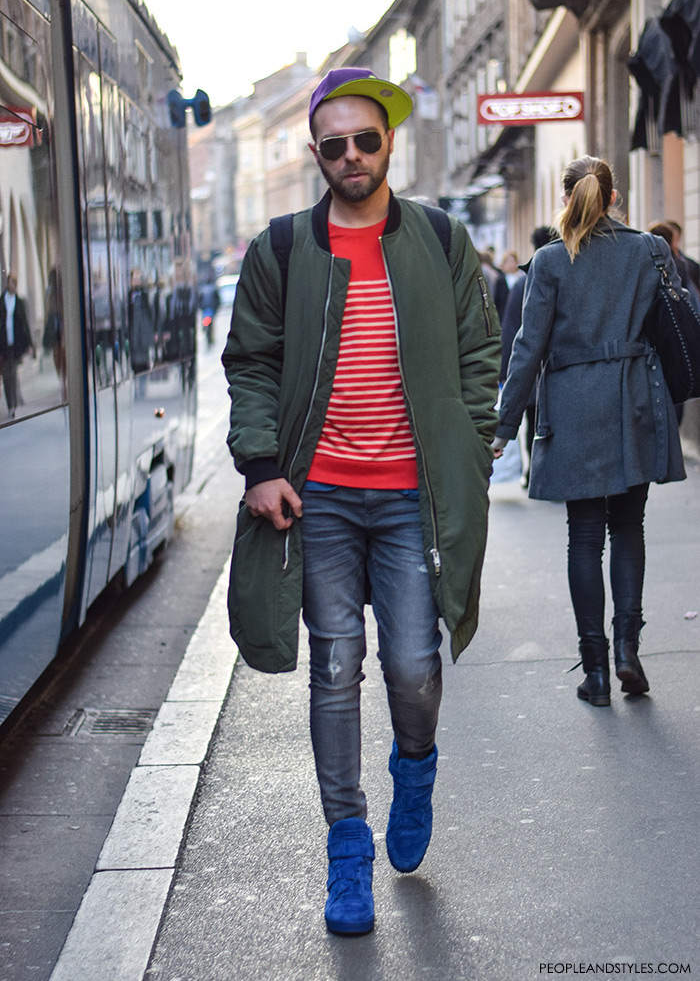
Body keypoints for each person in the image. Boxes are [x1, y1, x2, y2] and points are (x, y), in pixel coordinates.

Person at [222, 67, 500, 935]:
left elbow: (479, 354)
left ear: (389, 144)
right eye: (333, 144)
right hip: (323, 500)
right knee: (336, 668)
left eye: (365, 140)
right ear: (316, 154)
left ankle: (413, 768)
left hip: (415, 498)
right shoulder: (280, 249)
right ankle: (348, 849)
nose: (350, 155)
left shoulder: (441, 240)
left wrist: (474, 449)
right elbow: (251, 362)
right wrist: (261, 464)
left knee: (415, 665)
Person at [493, 156, 685, 708]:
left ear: (566, 197)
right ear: (615, 197)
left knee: (584, 535)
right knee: (629, 527)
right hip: (635, 401)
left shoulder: (550, 260)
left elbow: (527, 348)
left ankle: (596, 670)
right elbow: (674, 321)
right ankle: (629, 649)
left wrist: (505, 425)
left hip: (574, 407)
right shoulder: (649, 250)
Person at [499, 227, 552, 482]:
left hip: (531, 369)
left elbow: (511, 330)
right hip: (552, 370)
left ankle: (534, 470)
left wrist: (508, 370)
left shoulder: (524, 281)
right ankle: (541, 470)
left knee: (534, 423)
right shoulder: (547, 273)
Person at [1, 273, 35, 419]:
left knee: (13, 373)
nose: (11, 286)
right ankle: (10, 404)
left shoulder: (19, 302)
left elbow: (25, 324)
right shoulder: (1, 302)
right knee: (6, 375)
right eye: (9, 283)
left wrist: (30, 344)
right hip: (3, 345)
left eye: (13, 283)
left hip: (15, 345)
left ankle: (13, 405)